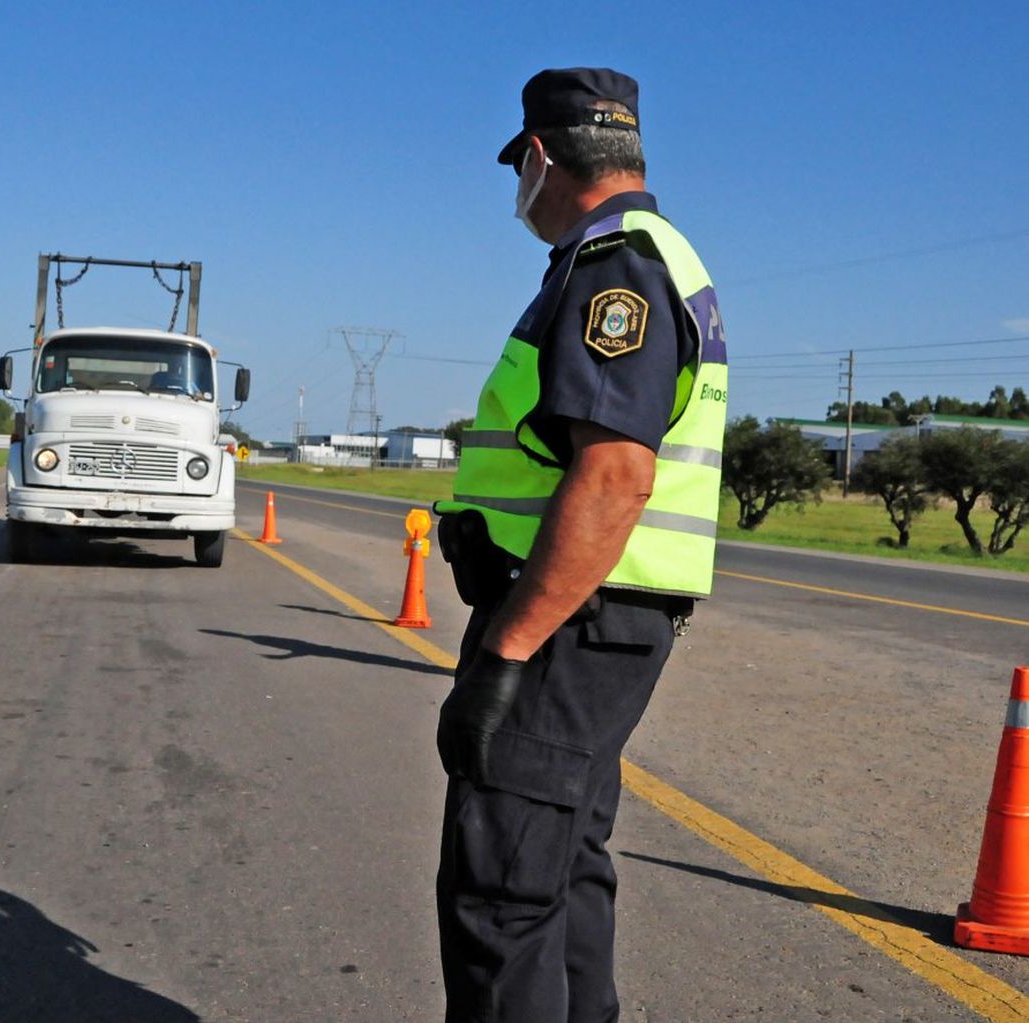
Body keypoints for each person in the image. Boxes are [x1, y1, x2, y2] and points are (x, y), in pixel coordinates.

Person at [432, 67, 727, 1022]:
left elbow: (614, 477)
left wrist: (507, 652)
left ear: (543, 157)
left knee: (503, 890)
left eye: (517, 163)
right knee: (560, 873)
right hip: (593, 621)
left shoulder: (617, 266)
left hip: (568, 628)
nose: (517, 187)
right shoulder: (646, 257)